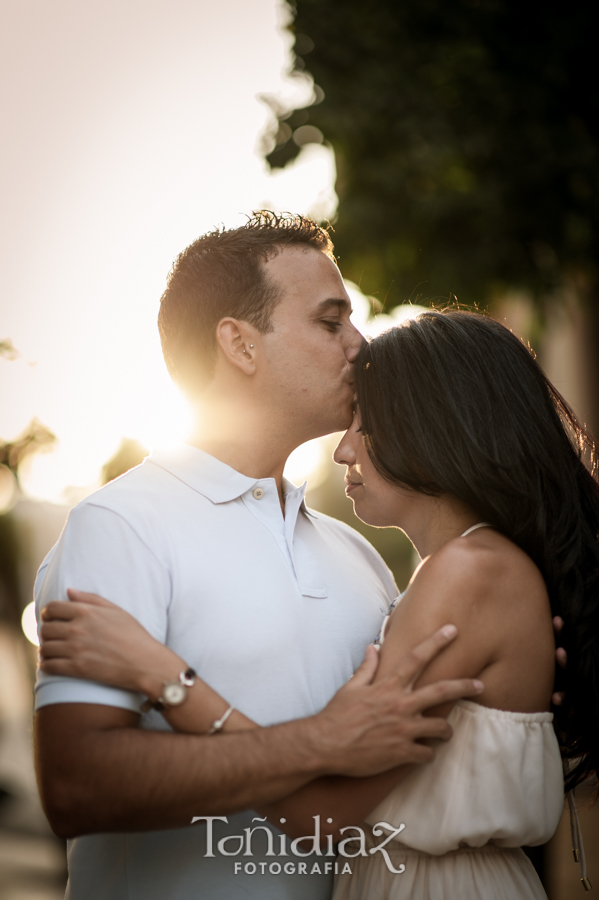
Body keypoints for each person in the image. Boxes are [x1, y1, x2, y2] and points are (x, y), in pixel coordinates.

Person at [40, 309, 599, 898]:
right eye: (330, 323)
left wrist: (166, 677)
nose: (344, 450)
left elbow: (320, 818)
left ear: (435, 424)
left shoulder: (464, 572)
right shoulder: (459, 573)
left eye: (367, 421)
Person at [33, 213, 483, 900]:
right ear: (239, 345)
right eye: (330, 322)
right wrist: (318, 740)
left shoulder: (356, 552)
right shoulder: (121, 525)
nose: (359, 346)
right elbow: (75, 786)